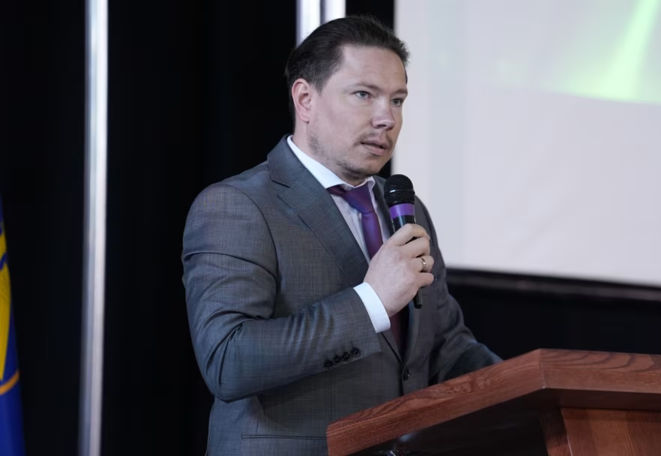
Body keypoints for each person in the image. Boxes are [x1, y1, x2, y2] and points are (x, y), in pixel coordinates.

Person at [182, 16, 500, 455]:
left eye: (398, 100)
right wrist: (371, 302)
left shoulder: (407, 210)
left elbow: (447, 347)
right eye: (364, 95)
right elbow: (229, 361)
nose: (387, 118)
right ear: (305, 99)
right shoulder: (238, 205)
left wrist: (537, 390)